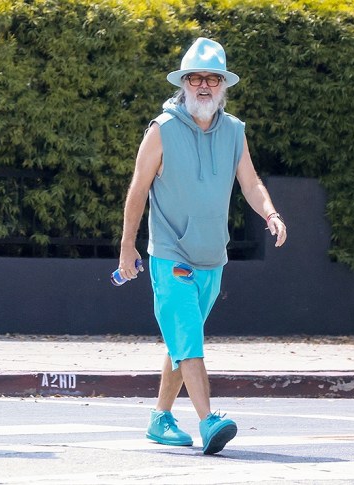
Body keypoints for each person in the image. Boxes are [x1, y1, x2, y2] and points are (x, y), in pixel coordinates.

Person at [117, 38, 287, 455]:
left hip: (214, 258)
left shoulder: (234, 131)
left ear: (223, 85)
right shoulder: (163, 130)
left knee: (181, 339)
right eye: (196, 78)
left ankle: (160, 417)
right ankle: (209, 421)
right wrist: (127, 246)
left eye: (213, 78)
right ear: (184, 83)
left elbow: (250, 182)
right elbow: (137, 190)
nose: (205, 86)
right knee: (189, 338)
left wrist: (270, 214)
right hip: (170, 255)